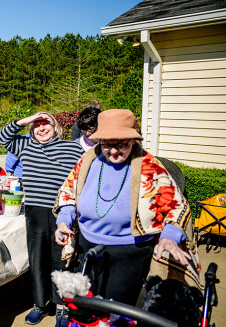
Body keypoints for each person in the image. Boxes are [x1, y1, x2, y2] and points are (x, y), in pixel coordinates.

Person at [54, 109, 201, 306]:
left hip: (131, 251)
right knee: (87, 303)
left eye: (121, 144)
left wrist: (169, 236)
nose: (113, 151)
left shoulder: (151, 167)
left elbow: (177, 207)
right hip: (87, 245)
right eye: (106, 144)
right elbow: (68, 192)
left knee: (117, 309)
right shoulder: (89, 159)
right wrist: (64, 219)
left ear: (133, 140)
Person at [0, 112, 84, 327]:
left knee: (63, 259)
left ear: (57, 128)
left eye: (46, 123)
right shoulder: (25, 146)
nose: (41, 128)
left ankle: (62, 306)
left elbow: (84, 175)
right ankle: (38, 303)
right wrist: (27, 119)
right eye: (37, 125)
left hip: (61, 213)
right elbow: (3, 137)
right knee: (37, 259)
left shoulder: (72, 148)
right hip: (35, 211)